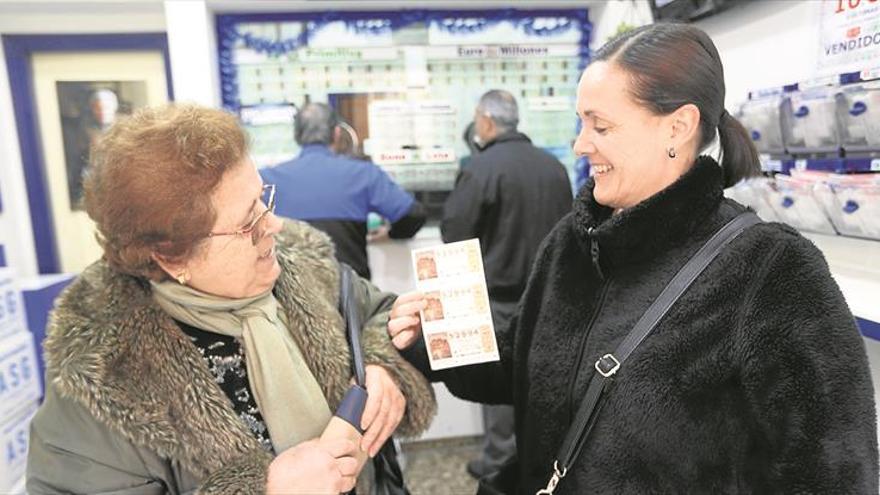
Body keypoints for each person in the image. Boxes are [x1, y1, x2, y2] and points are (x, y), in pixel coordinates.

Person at [388, 23, 878, 493]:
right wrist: (435, 338)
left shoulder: (771, 269)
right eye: (582, 123)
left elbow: (833, 471)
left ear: (678, 127)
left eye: (600, 125)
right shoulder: (571, 243)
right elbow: (524, 362)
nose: (581, 145)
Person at [27, 104, 437, 494]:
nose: (274, 224)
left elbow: (377, 313)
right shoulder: (101, 378)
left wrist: (382, 367)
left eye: (263, 197)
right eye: (248, 222)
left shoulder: (306, 264)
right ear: (172, 257)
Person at [441, 89, 572, 480]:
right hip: (551, 295)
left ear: (484, 121)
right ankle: (544, 463)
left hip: (496, 298)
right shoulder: (554, 167)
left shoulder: (481, 169)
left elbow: (454, 230)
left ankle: (500, 468)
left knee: (498, 387)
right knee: (544, 379)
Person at [260, 102, 426, 280]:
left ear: (297, 136)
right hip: (350, 298)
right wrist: (392, 234)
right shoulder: (364, 174)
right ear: (337, 133)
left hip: (290, 298)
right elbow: (413, 215)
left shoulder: (266, 180)